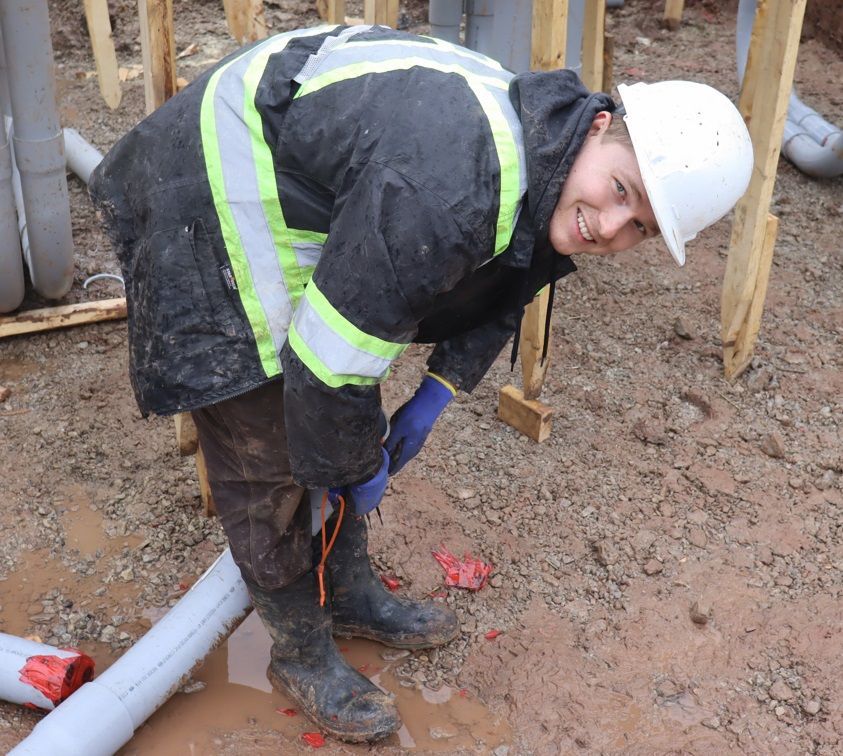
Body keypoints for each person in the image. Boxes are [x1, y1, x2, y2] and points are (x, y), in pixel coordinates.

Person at [89, 23, 752, 743]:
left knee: (341, 412)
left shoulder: (547, 146)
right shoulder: (449, 182)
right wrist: (346, 462)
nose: (609, 225)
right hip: (210, 185)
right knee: (266, 444)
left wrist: (433, 393)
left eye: (638, 227)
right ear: (600, 124)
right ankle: (301, 651)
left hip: (300, 167)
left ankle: (346, 591)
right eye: (619, 190)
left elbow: (510, 272)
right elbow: (331, 359)